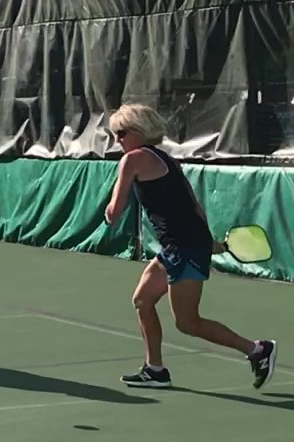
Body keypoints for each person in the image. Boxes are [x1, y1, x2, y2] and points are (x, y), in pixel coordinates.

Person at [104, 103, 276, 389]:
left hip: (182, 248)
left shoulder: (133, 160)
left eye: (121, 133)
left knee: (187, 322)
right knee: (142, 300)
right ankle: (155, 369)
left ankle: (257, 350)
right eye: (115, 134)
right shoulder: (166, 159)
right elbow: (193, 205)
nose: (117, 140)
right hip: (178, 246)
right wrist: (210, 243)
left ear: (139, 131)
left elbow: (115, 209)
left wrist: (109, 213)